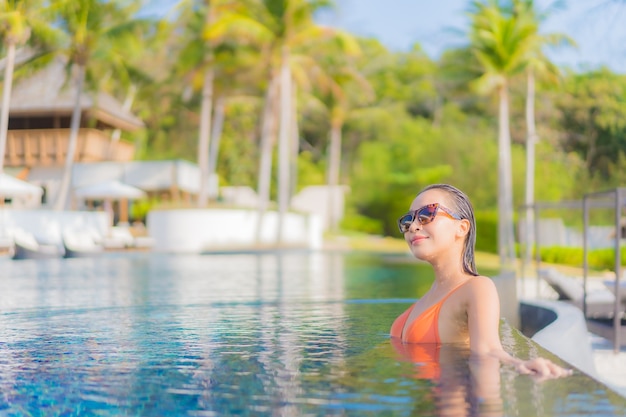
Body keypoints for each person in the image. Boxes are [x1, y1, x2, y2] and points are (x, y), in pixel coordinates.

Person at [390, 183, 572, 379]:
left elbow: (488, 351)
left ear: (462, 227)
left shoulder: (476, 288)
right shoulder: (431, 294)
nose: (414, 226)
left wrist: (520, 364)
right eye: (408, 219)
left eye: (427, 214)